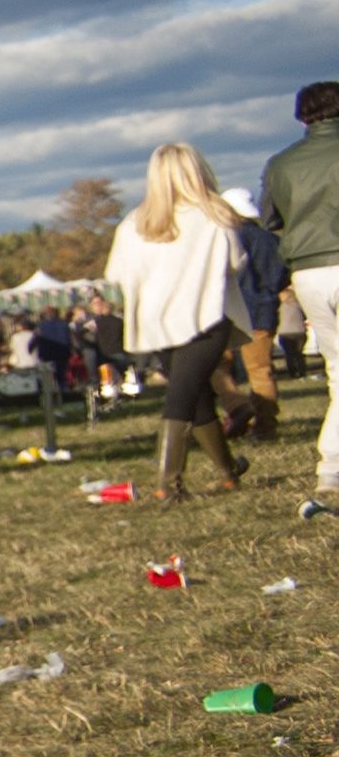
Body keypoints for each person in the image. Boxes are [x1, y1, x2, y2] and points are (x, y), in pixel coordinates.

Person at [106, 142, 250, 497]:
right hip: (205, 317)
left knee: (195, 393)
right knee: (184, 395)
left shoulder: (134, 224)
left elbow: (116, 275)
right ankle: (167, 485)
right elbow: (237, 262)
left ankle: (228, 472)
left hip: (159, 322)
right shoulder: (215, 215)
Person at [258, 82, 339, 494]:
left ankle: (330, 468)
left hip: (308, 271)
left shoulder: (280, 164)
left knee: (335, 371)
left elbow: (270, 220)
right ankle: (330, 465)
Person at [224, 189, 286, 444]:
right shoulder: (270, 239)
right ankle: (265, 427)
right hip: (263, 310)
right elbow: (282, 275)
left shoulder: (225, 238)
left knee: (217, 369)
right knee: (261, 372)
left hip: (229, 312)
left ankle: (236, 407)